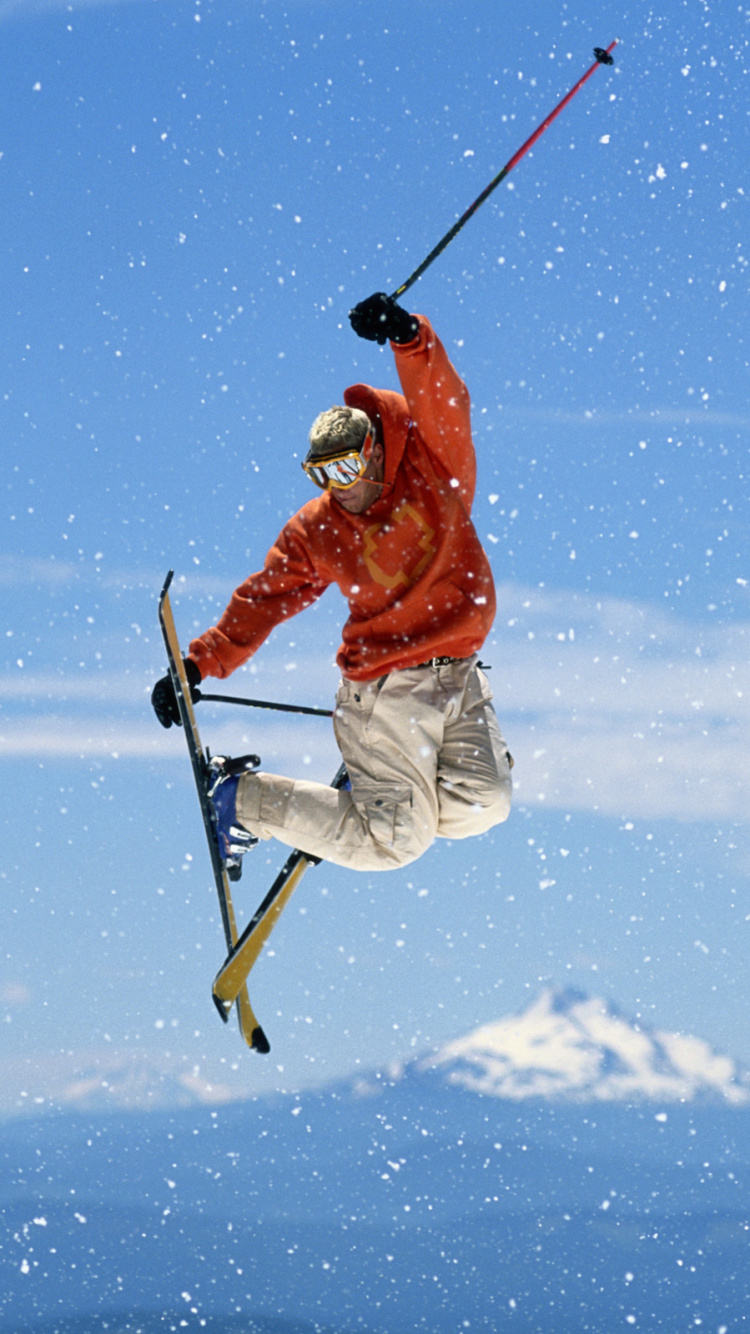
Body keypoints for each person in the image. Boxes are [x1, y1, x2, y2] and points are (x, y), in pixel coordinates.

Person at [152, 292, 513, 873]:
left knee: (485, 801)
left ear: (374, 454)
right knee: (396, 843)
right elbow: (266, 598)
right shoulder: (320, 527)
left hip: (458, 673)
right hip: (385, 690)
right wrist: (199, 664)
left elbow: (445, 400)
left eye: (345, 469)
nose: (338, 487)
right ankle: (244, 801)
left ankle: (374, 801)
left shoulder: (434, 467)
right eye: (321, 474)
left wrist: (406, 335)